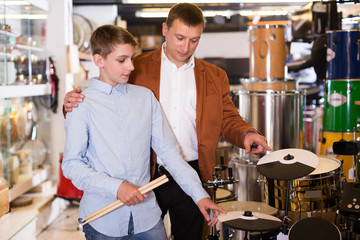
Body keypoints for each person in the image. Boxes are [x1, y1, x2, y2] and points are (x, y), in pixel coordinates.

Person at [64, 3, 271, 239]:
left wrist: (246, 134)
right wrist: (72, 102)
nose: (186, 47)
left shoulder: (213, 76)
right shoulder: (137, 67)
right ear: (165, 30)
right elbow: (100, 102)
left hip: (189, 170)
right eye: (180, 38)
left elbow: (228, 117)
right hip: (149, 172)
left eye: (194, 40)